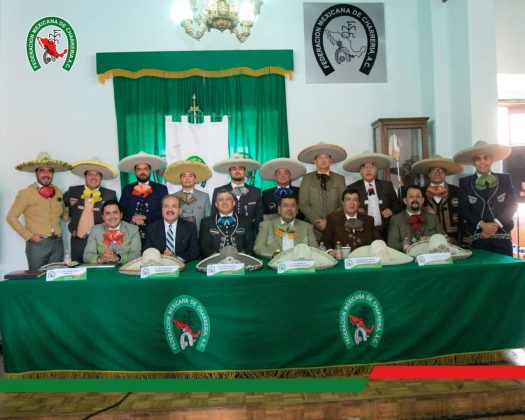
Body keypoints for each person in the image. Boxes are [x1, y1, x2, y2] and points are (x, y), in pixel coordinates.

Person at [7, 152, 72, 269]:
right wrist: (29, 236)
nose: (46, 174)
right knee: (36, 279)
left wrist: (77, 209)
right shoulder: (26, 193)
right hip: (37, 245)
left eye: (50, 171)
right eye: (42, 170)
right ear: (36, 172)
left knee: (55, 278)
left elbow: (63, 216)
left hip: (58, 243)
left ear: (53, 173)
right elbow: (11, 217)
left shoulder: (59, 192)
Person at [454, 140, 517, 256]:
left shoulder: (505, 180)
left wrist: (494, 226)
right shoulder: (465, 183)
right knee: (482, 272)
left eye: (486, 157)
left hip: (502, 236)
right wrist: (482, 225)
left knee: (505, 272)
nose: (482, 162)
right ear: (473, 162)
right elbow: (464, 209)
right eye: (478, 158)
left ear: (492, 159)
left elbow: (512, 205)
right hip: (478, 237)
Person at [63, 157, 118, 262]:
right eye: (90, 174)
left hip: (101, 242)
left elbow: (116, 218)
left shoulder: (110, 194)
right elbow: (59, 206)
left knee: (100, 272)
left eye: (97, 174)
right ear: (85, 176)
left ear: (101, 178)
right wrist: (65, 215)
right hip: (77, 242)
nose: (93, 177)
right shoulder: (72, 191)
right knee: (78, 272)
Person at [344, 151, 402, 239]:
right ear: (360, 171)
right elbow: (346, 210)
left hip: (386, 231)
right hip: (362, 232)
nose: (368, 169)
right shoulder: (352, 188)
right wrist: (356, 211)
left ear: (376, 169)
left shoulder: (387, 185)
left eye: (372, 166)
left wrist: (391, 211)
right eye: (364, 167)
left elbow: (398, 205)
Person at [298, 143, 347, 240]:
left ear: (330, 160)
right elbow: (303, 204)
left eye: (326, 157)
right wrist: (318, 221)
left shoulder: (340, 179)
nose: (323, 160)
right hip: (312, 227)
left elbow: (344, 203)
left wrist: (329, 221)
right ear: (315, 161)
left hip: (334, 226)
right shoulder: (307, 178)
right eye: (320, 158)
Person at [411, 155, 464, 245]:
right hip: (427, 237)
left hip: (453, 238)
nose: (437, 173)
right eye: (434, 170)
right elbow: (410, 211)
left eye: (441, 170)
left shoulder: (457, 191)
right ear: (429, 174)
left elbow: (463, 216)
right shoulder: (420, 192)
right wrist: (423, 209)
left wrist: (463, 241)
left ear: (445, 173)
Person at [118, 151, 168, 239]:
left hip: (154, 233)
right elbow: (121, 209)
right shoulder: (127, 189)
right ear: (135, 171)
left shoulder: (161, 189)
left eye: (145, 169)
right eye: (139, 169)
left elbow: (164, 210)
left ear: (150, 170)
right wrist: (132, 218)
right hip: (130, 233)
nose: (142, 172)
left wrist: (146, 217)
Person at [211, 153, 263, 231]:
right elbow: (214, 216)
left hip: (249, 236)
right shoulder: (218, 191)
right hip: (225, 234)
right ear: (229, 172)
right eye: (234, 169)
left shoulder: (256, 192)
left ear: (245, 172)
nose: (237, 171)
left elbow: (259, 219)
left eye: (240, 168)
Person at [142, 194, 200, 262]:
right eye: (166, 206)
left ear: (180, 210)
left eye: (174, 206)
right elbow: (146, 251)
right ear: (162, 210)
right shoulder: (151, 228)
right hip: (159, 265)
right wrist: (162, 257)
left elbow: (194, 252)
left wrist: (176, 259)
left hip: (182, 266)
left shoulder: (190, 227)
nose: (170, 209)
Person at [387, 185, 445, 251]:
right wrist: (416, 243)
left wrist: (433, 239)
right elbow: (392, 244)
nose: (415, 199)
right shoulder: (396, 220)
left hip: (431, 257)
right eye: (411, 197)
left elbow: (444, 238)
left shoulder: (433, 218)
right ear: (405, 201)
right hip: (408, 258)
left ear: (422, 200)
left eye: (418, 196)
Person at [200, 189, 255, 257]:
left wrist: (241, 257)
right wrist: (216, 258)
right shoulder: (206, 222)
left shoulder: (246, 221)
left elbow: (250, 245)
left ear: (234, 203)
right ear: (216, 204)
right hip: (215, 262)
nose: (224, 202)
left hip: (240, 261)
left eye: (228, 199)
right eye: (220, 200)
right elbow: (204, 247)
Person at [83, 200, 141, 264]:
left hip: (125, 269)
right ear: (103, 217)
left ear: (121, 215)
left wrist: (118, 258)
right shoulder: (95, 230)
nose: (112, 217)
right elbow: (86, 256)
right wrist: (100, 259)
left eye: (115, 212)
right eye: (107, 213)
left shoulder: (133, 229)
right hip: (102, 270)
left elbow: (137, 255)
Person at [163, 159, 212, 234]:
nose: (187, 179)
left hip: (199, 236)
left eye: (190, 176)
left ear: (195, 179)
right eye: (184, 176)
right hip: (178, 236)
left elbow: (208, 220)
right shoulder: (173, 197)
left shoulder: (204, 196)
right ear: (180, 179)